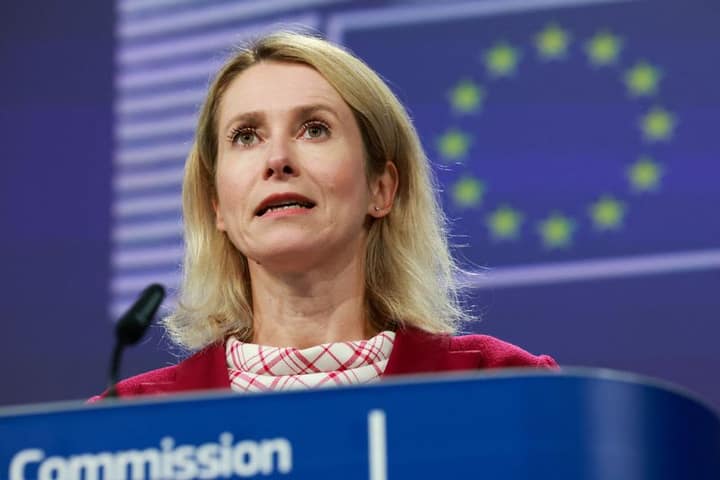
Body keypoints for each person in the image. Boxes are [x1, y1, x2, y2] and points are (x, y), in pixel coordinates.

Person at [93, 31, 555, 400]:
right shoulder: (126, 424)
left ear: (381, 188)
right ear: (217, 206)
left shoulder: (506, 387)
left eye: (314, 129)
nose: (277, 159)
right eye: (246, 136)